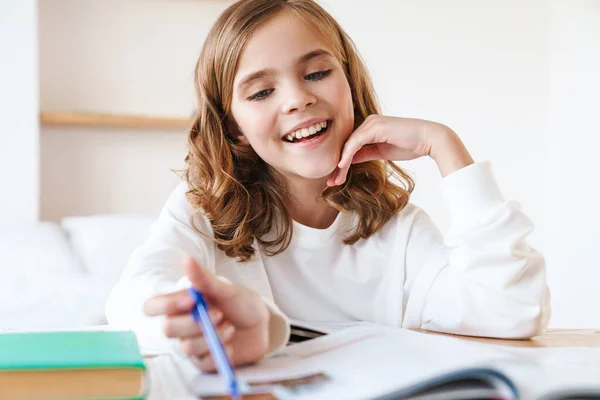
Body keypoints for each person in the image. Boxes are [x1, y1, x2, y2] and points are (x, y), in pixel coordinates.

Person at [105, 0, 551, 372]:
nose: (297, 99)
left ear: (350, 84)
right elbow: (132, 301)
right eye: (261, 93)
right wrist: (213, 317)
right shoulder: (202, 215)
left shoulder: (400, 233)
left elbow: (512, 309)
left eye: (316, 73)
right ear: (234, 127)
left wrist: (445, 146)